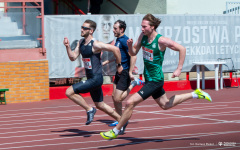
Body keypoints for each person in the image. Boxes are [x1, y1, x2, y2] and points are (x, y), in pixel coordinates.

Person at [100, 13, 212, 139]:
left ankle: (115, 131)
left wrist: (179, 68)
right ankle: (195, 94)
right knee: (165, 104)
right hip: (148, 79)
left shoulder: (161, 40)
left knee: (130, 102)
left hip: (155, 80)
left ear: (152, 27)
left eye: (144, 26)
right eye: (141, 26)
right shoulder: (143, 36)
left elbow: (182, 49)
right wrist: (131, 46)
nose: (142, 29)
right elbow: (133, 52)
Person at [63, 19, 123, 127]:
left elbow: (116, 50)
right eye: (81, 27)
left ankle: (89, 109)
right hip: (90, 77)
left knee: (69, 92)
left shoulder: (96, 44)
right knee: (100, 104)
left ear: (91, 31)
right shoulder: (80, 42)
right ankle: (122, 120)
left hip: (96, 78)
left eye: (84, 28)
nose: (81, 29)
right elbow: (72, 57)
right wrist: (67, 46)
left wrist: (119, 65)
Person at [108, 20, 144, 127]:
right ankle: (120, 119)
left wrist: (129, 72)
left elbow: (133, 55)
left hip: (124, 72)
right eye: (113, 28)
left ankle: (134, 83)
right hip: (118, 71)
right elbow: (120, 55)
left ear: (122, 29)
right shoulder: (118, 40)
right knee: (114, 96)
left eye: (115, 28)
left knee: (118, 98)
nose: (113, 30)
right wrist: (108, 62)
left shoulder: (125, 40)